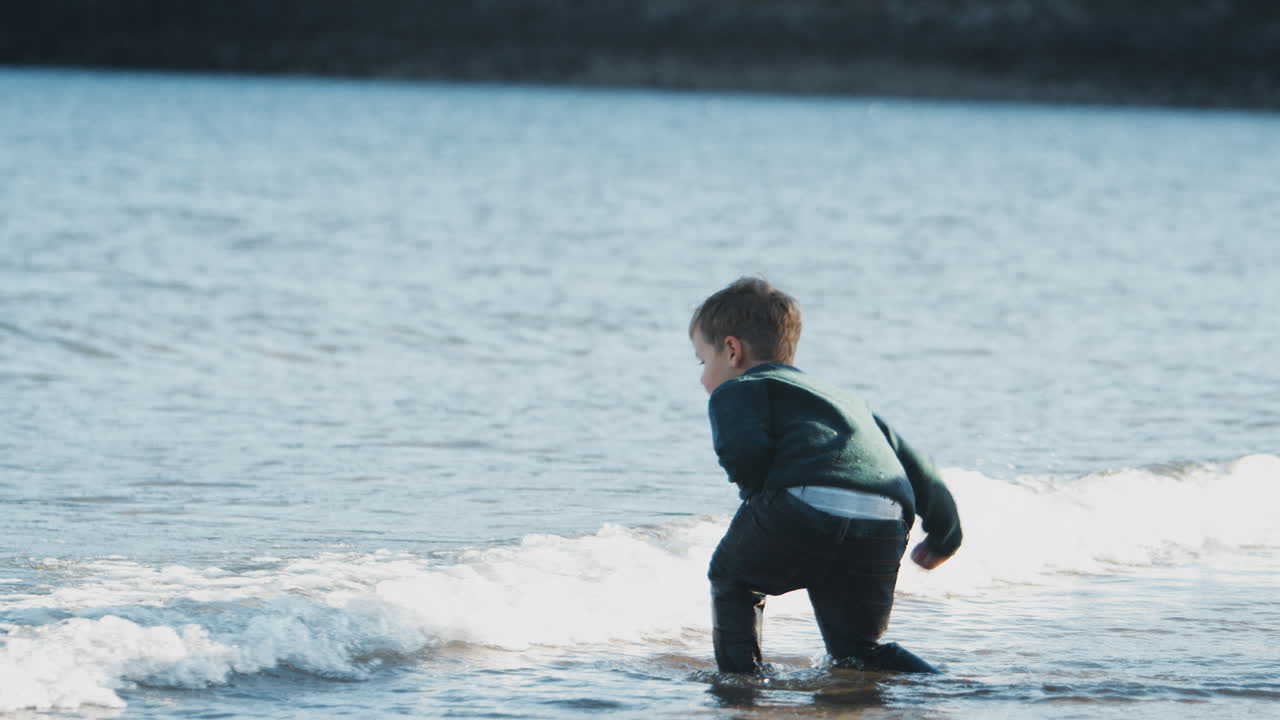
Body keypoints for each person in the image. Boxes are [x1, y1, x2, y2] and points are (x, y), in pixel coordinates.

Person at [689, 277, 962, 674]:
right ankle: (946, 686)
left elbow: (743, 452)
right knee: (858, 650)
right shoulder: (848, 402)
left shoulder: (741, 387)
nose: (702, 377)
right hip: (883, 521)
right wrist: (944, 535)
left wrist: (760, 499)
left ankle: (741, 684)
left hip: (800, 509)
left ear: (732, 350)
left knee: (733, 579)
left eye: (702, 361)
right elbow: (919, 469)